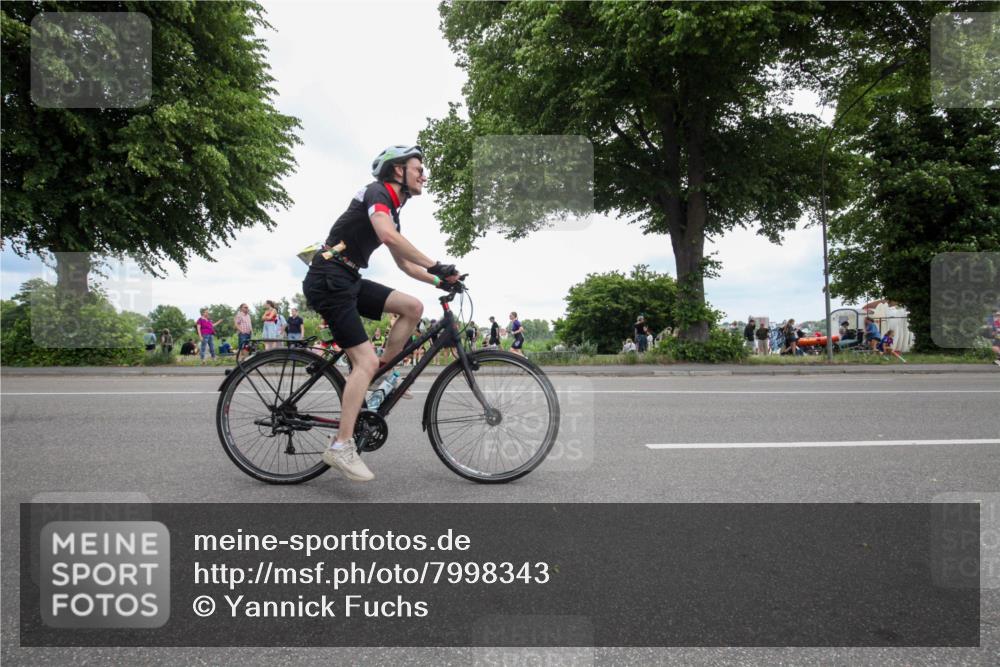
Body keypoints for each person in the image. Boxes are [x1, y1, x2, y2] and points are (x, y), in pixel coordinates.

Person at [301, 144, 459, 482]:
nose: (424, 175)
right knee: (364, 360)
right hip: (328, 278)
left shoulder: (392, 208)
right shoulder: (377, 193)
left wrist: (438, 280)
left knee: (412, 307)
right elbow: (388, 237)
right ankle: (341, 445)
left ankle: (378, 378)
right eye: (418, 169)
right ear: (398, 170)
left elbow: (404, 263)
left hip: (347, 277)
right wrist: (436, 263)